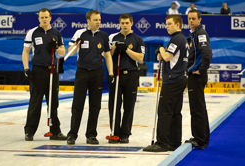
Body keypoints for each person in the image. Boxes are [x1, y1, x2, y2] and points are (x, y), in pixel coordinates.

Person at [67, 10, 114, 145]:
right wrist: (76, 44)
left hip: (97, 73)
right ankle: (72, 134)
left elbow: (108, 55)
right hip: (82, 72)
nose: (98, 22)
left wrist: (110, 73)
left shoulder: (104, 36)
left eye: (99, 20)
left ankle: (91, 135)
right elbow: (70, 53)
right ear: (88, 21)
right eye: (95, 20)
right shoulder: (79, 33)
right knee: (77, 105)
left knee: (95, 105)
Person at [143, 14, 188, 152]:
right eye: (166, 24)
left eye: (169, 24)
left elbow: (167, 56)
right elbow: (165, 57)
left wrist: (161, 48)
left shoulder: (176, 38)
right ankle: (174, 142)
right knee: (175, 112)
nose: (167, 26)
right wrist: (161, 53)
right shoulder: (183, 39)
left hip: (173, 80)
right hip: (179, 78)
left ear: (177, 25)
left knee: (164, 111)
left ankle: (161, 143)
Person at [22, 8, 67, 141]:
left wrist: (57, 47)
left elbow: (62, 53)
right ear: (39, 18)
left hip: (53, 70)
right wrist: (26, 69)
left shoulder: (56, 33)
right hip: (38, 71)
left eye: (46, 17)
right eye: (42, 17)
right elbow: (26, 52)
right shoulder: (32, 33)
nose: (44, 19)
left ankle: (55, 131)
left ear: (50, 18)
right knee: (35, 102)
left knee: (53, 102)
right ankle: (29, 131)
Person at [108, 13, 145, 143]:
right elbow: (107, 55)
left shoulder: (137, 39)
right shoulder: (113, 37)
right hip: (116, 75)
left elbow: (140, 58)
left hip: (131, 75)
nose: (124, 25)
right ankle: (115, 132)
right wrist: (114, 48)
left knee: (129, 106)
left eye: (127, 23)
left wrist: (126, 50)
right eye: (122, 23)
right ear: (120, 24)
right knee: (114, 105)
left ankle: (125, 134)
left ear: (131, 23)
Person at [185, 9, 213, 149]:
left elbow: (207, 54)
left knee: (197, 108)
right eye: (189, 18)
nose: (191, 21)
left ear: (199, 19)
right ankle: (202, 137)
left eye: (194, 18)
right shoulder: (194, 34)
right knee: (199, 107)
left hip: (197, 76)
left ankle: (200, 139)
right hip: (195, 75)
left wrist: (201, 70)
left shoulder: (200, 34)